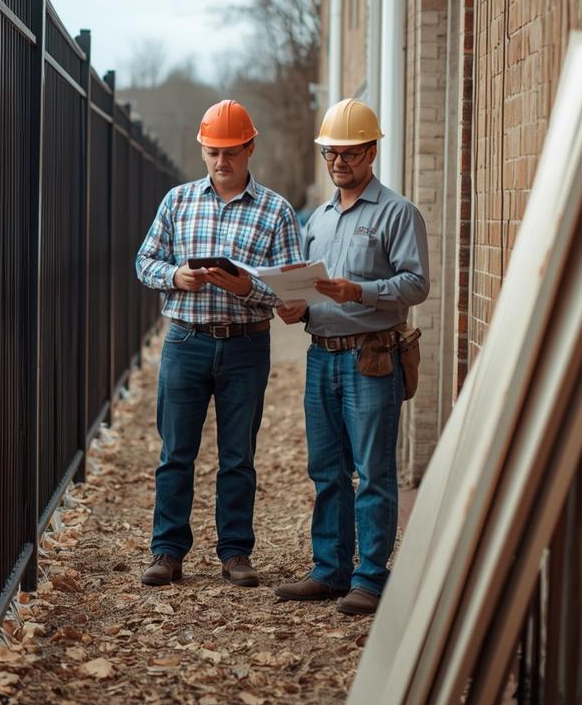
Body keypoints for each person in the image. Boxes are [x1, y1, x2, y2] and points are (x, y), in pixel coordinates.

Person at [134, 99, 303, 588]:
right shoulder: (178, 201)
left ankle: (235, 553)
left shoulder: (276, 211)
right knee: (175, 452)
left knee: (238, 456)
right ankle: (167, 552)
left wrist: (248, 288)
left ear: (250, 148)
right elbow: (144, 262)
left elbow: (292, 288)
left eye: (231, 151)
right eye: (213, 152)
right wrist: (176, 276)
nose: (221, 161)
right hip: (185, 341)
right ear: (202, 150)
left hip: (246, 347)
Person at [273, 98, 429, 616]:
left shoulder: (397, 213)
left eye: (350, 153)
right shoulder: (318, 218)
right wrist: (296, 308)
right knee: (327, 470)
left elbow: (416, 284)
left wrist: (358, 292)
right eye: (331, 153)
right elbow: (310, 287)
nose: (339, 162)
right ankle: (330, 571)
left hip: (371, 359)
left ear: (372, 152)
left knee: (373, 472)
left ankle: (371, 579)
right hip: (322, 356)